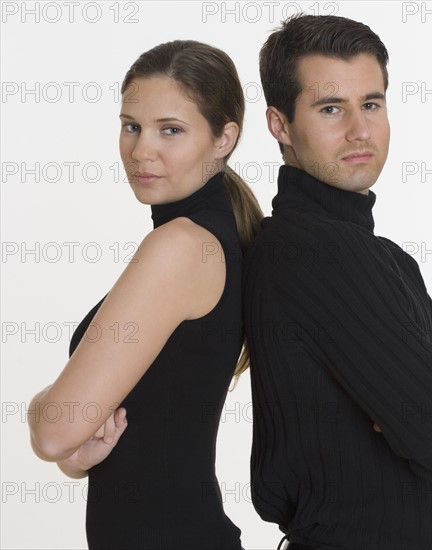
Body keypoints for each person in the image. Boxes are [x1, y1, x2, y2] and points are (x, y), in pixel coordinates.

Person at [243, 14, 432, 550]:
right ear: (280, 125)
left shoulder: (381, 257)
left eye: (371, 104)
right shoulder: (317, 250)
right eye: (330, 109)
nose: (359, 130)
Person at [28, 40, 262, 549]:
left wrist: (41, 407)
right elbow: (90, 443)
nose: (140, 150)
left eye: (170, 130)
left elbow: (52, 432)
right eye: (131, 125)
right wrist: (76, 452)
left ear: (225, 138)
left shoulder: (180, 245)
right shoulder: (206, 236)